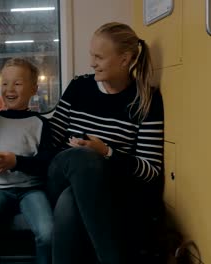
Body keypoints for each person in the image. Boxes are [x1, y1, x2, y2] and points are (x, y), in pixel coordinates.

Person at [47, 22, 164, 264]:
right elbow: (49, 140)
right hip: (62, 171)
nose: (92, 63)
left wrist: (107, 152)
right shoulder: (79, 87)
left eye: (99, 57)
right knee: (82, 158)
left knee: (69, 202)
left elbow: (151, 171)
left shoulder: (146, 100)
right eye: (92, 55)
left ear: (125, 59)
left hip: (108, 184)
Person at [0, 58, 54, 264]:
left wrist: (16, 162)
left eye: (17, 83)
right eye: (5, 83)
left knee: (48, 233)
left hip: (32, 189)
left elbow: (46, 163)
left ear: (33, 88)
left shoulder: (40, 123)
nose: (10, 89)